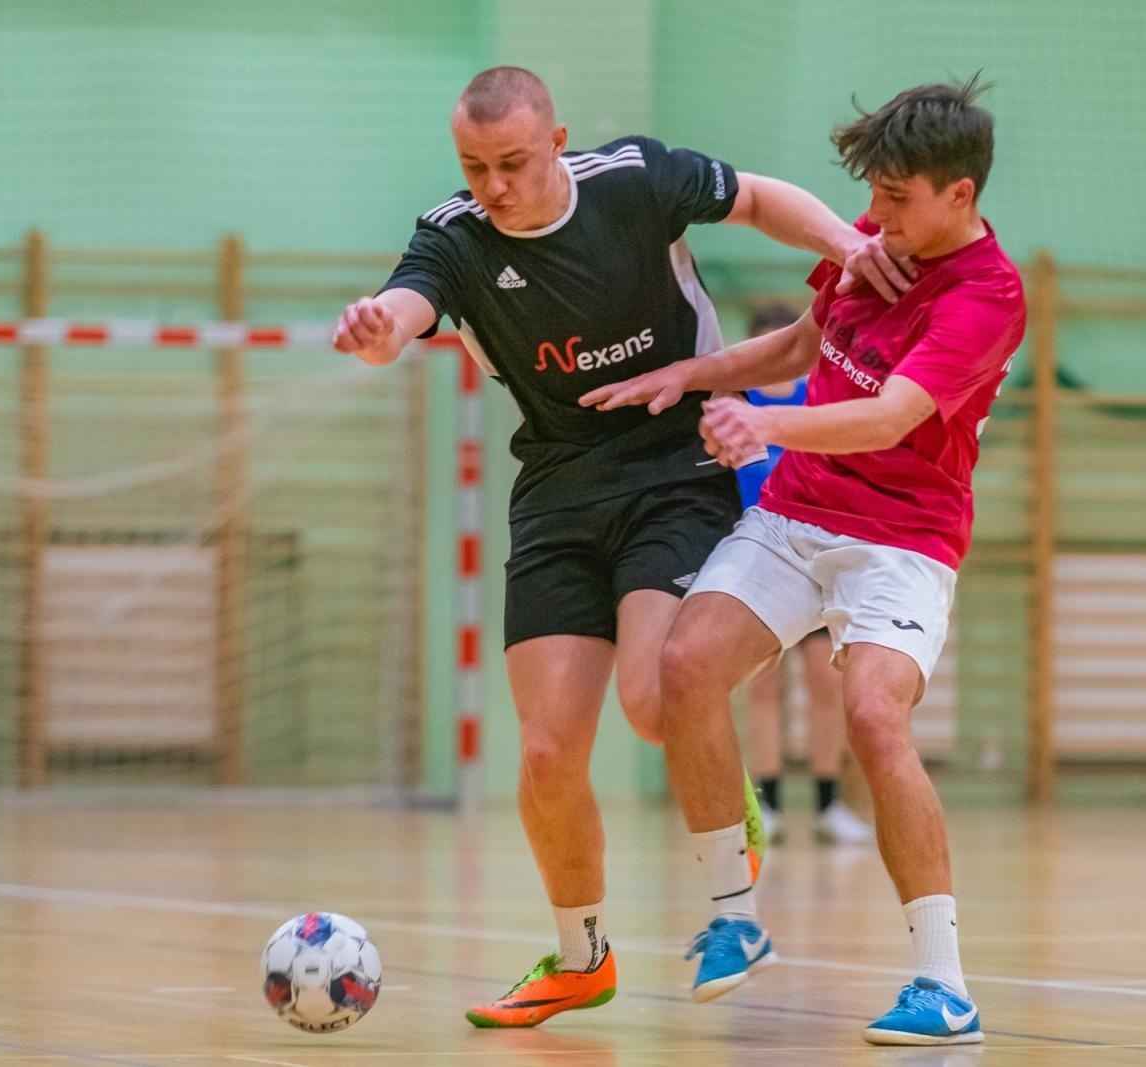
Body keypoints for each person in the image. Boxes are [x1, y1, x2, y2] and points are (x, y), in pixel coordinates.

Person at [331, 66, 911, 1030]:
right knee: (550, 750)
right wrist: (374, 329)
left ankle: (732, 804)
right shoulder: (455, 237)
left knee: (653, 700)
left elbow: (763, 198)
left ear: (555, 143)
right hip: (556, 495)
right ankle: (581, 956)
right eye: (475, 166)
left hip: (674, 467)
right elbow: (407, 309)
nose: (494, 186)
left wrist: (848, 243)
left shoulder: (635, 178)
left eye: (513, 163)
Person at [579, 75, 1024, 1046]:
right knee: (683, 667)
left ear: (959, 195)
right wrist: (690, 375)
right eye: (871, 194)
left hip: (902, 537)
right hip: (796, 513)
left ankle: (942, 983)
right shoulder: (870, 255)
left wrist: (764, 423)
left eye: (896, 199)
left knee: (872, 714)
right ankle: (734, 918)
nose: (873, 218)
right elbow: (797, 344)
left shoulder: (986, 296)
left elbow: (887, 416)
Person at [737, 305, 873, 848]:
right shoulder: (737, 407)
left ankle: (826, 804)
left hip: (817, 564)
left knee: (826, 686)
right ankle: (767, 805)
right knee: (764, 690)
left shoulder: (816, 404)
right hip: (756, 567)